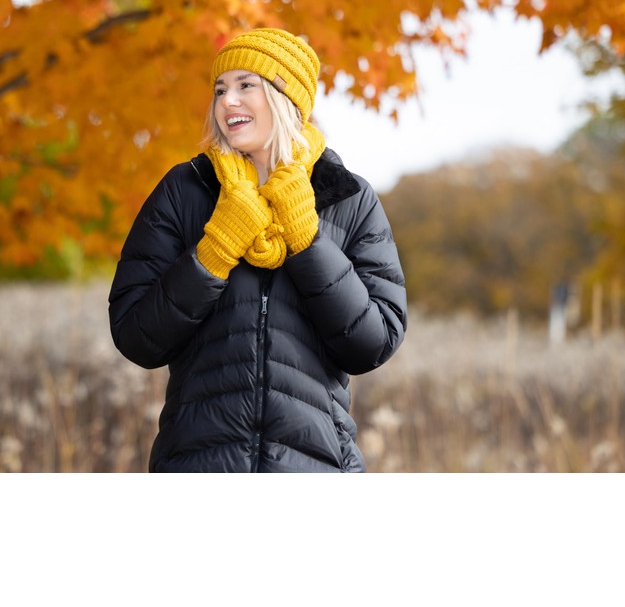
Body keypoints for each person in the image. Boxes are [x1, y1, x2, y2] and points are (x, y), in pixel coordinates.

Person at [108, 27, 407, 472]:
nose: (228, 101)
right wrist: (215, 251)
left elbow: (372, 343)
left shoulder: (346, 197)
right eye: (220, 89)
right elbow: (136, 336)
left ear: (288, 98)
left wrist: (308, 241)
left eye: (247, 85)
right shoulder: (185, 190)